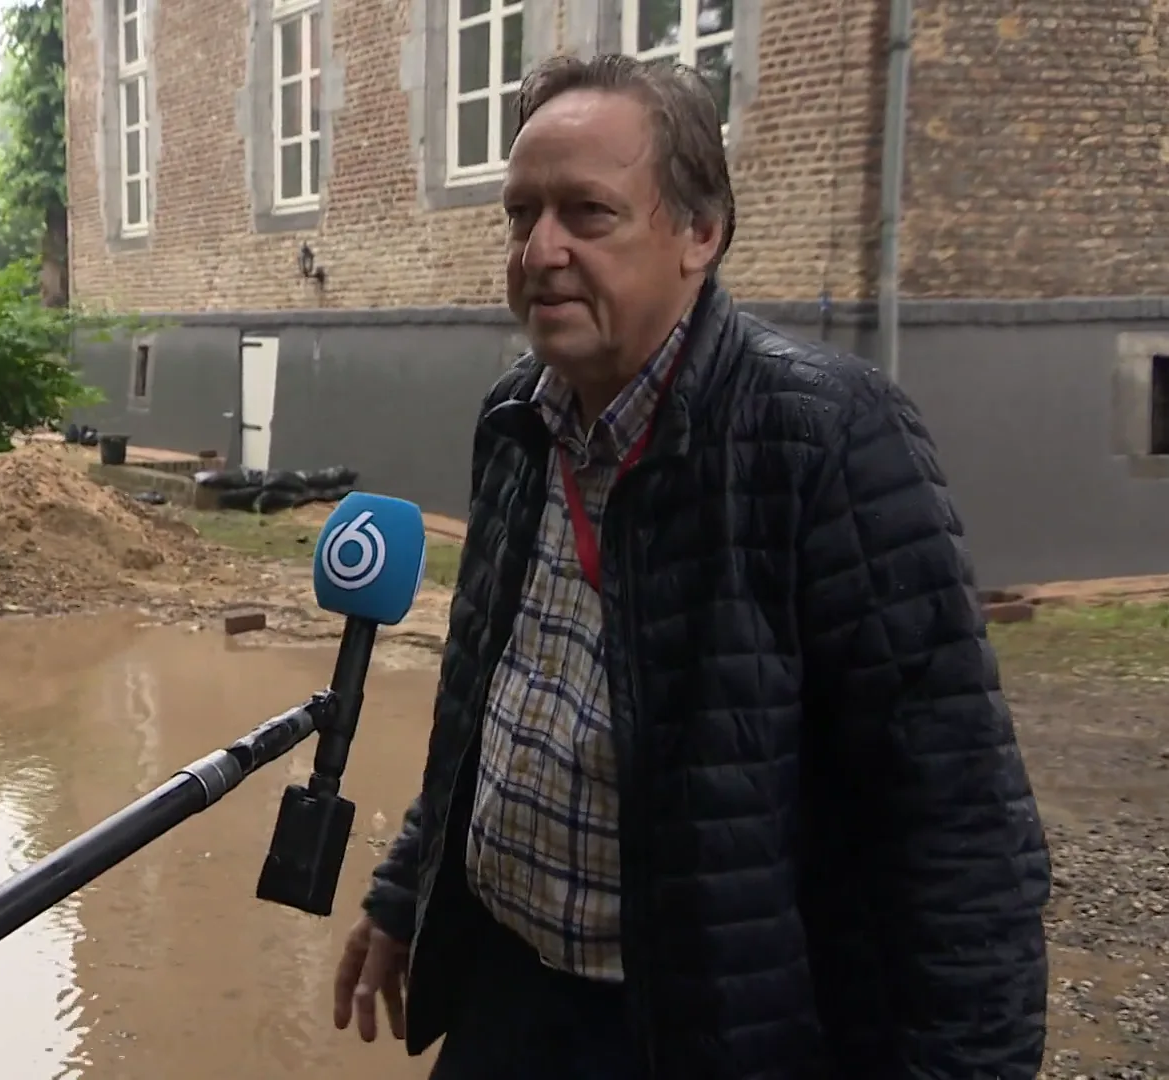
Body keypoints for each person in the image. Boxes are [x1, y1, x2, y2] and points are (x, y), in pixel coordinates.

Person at [330, 52, 1051, 1079]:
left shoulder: (826, 442)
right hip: (509, 993)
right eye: (520, 213)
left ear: (699, 233)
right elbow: (486, 710)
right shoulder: (515, 424)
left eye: (588, 213)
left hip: (700, 1031)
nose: (541, 251)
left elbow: (962, 833)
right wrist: (408, 891)